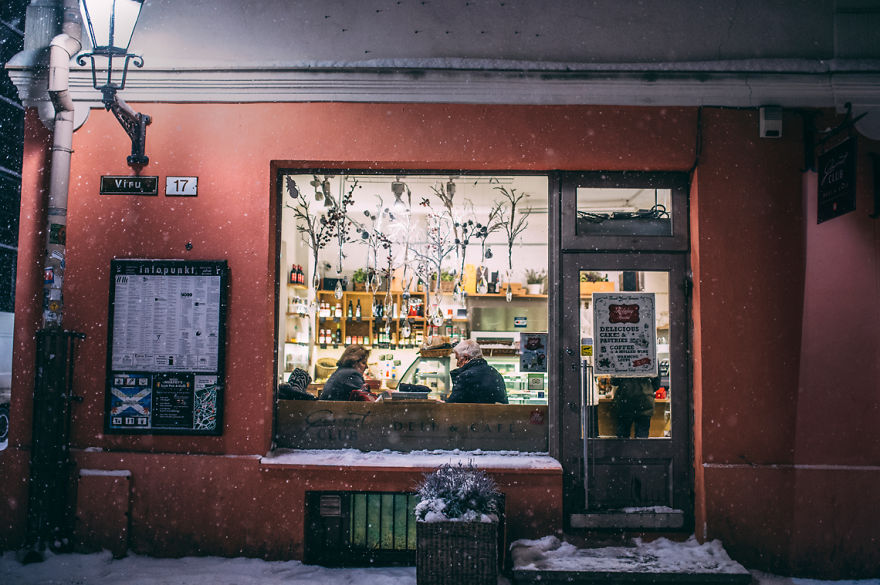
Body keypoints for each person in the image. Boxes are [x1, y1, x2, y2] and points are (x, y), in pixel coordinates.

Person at [445, 339, 508, 404]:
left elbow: (453, 406)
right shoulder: (495, 374)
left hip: (474, 414)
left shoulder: (465, 377)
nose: (457, 364)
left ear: (466, 358)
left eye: (458, 359)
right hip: (496, 414)